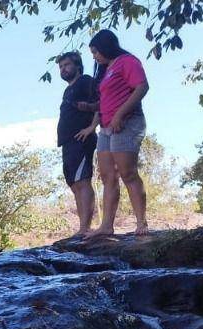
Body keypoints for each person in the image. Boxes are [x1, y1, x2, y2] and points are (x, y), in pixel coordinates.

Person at [83, 29, 150, 237]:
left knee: (127, 172)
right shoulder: (105, 70)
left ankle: (141, 223)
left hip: (127, 123)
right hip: (106, 128)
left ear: (106, 46)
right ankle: (106, 226)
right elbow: (105, 102)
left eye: (95, 51)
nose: (94, 56)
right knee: (107, 175)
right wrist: (90, 110)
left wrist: (120, 115)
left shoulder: (127, 61)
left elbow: (142, 87)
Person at [57, 51, 98, 236]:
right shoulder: (68, 90)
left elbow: (100, 103)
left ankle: (85, 228)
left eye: (66, 65)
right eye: (60, 67)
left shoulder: (85, 81)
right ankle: (82, 228)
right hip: (68, 143)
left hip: (82, 140)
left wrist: (92, 127)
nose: (63, 69)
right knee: (74, 185)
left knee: (82, 182)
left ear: (77, 65)